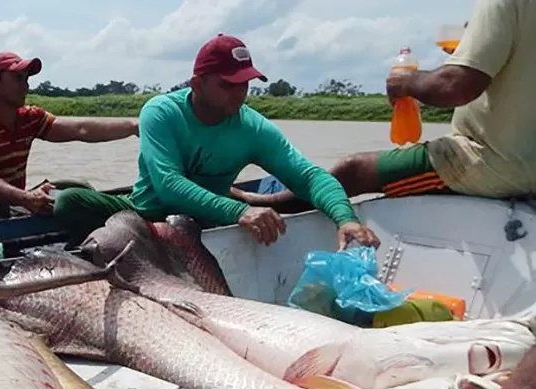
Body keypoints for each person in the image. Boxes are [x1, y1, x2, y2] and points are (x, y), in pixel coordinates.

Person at [52, 34, 379, 249]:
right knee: (69, 202)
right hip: (144, 215)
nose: (240, 94)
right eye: (228, 85)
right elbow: (167, 185)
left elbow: (309, 177)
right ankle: (99, 253)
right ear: (197, 82)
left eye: (245, 84)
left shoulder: (252, 127)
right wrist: (240, 211)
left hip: (207, 221)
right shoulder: (161, 112)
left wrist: (346, 218)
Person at [262, 0, 535, 206]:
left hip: (495, 162)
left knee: (352, 171)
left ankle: (264, 205)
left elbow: (455, 86)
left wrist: (405, 83)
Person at [0, 51, 140, 221]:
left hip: (14, 204)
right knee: (59, 204)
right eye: (18, 79)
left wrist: (134, 127)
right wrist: (26, 198)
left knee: (76, 188)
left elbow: (81, 129)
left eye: (26, 79)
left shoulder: (29, 119)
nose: (25, 87)